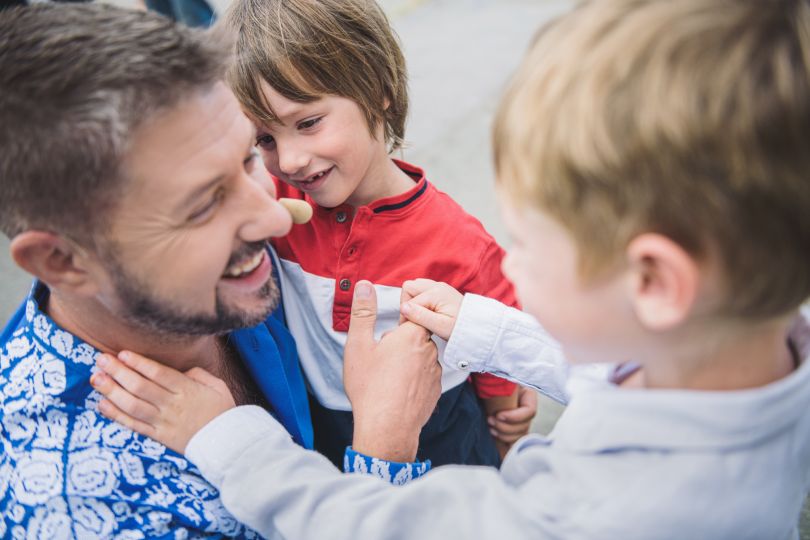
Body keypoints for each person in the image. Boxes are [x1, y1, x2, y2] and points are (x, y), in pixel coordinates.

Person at [92, 0, 810, 537]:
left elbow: (372, 525)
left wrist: (228, 439)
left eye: (528, 240)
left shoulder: (582, 515)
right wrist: (493, 332)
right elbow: (615, 370)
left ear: (654, 282)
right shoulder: (757, 342)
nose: (508, 258)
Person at [0, 4, 437, 536]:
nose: (275, 216)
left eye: (249, 156)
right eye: (203, 206)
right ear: (62, 261)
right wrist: (382, 452)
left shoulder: (211, 273)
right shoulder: (80, 510)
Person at [222, 0, 535, 467]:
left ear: (378, 90)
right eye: (264, 140)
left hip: (443, 442)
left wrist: (506, 421)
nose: (288, 161)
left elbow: (498, 359)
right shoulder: (274, 203)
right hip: (323, 435)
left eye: (308, 123)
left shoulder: (460, 244)